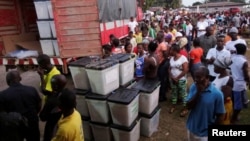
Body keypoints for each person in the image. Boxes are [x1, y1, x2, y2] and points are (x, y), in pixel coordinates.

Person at [0, 70, 41, 141]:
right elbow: (39, 104)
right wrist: (33, 114)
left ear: (7, 81)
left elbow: (3, 114)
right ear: (20, 79)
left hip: (15, 125)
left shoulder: (3, 95)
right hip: (32, 122)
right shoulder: (32, 90)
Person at [186, 66, 225, 140]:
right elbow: (188, 106)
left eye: (199, 77)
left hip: (205, 134)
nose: (196, 80)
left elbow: (220, 115)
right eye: (195, 77)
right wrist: (198, 93)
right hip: (191, 128)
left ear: (207, 77)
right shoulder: (194, 87)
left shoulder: (217, 94)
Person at [39, 74, 67, 141]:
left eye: (52, 84)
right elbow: (45, 91)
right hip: (65, 125)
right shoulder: (68, 95)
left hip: (53, 128)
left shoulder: (51, 101)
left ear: (56, 86)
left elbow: (43, 117)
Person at [230, 43, 250, 124]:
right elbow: (246, 74)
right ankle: (233, 119)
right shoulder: (244, 61)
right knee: (238, 104)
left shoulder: (232, 58)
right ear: (245, 51)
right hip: (240, 84)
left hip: (232, 81)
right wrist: (248, 81)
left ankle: (233, 115)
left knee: (234, 100)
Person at [168, 44, 189, 117]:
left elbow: (185, 70)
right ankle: (173, 105)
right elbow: (169, 68)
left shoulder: (183, 58)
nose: (170, 51)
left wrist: (177, 78)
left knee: (183, 94)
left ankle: (185, 108)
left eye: (171, 50)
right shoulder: (171, 58)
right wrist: (171, 77)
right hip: (173, 79)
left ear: (175, 51)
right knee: (174, 92)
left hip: (181, 80)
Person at [212, 57, 234, 125]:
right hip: (215, 106)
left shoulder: (227, 80)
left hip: (223, 108)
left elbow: (224, 97)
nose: (213, 68)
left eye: (215, 66)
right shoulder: (218, 75)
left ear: (221, 68)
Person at [156, 31, 169, 102]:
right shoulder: (159, 44)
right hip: (160, 64)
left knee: (162, 80)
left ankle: (162, 96)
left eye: (158, 35)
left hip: (162, 64)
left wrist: (161, 64)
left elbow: (165, 56)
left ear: (161, 37)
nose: (156, 36)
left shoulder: (163, 45)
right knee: (160, 80)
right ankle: (161, 94)